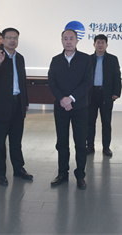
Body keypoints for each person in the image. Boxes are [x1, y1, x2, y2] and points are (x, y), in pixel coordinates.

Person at [0, 28, 33, 186]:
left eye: (15, 38)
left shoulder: (20, 58)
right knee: (0, 142)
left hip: (18, 103)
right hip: (2, 105)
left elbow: (22, 81)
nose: (13, 40)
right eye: (10, 37)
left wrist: (25, 101)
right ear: (3, 40)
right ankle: (0, 174)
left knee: (16, 140)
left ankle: (19, 169)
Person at [48, 29, 93, 190]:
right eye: (65, 38)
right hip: (61, 107)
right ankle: (62, 173)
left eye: (71, 38)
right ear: (62, 41)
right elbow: (52, 82)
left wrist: (71, 98)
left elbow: (87, 82)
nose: (68, 41)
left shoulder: (86, 59)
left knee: (80, 143)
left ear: (77, 41)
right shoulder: (56, 60)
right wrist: (62, 99)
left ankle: (80, 175)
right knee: (61, 142)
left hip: (79, 107)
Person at [87, 34, 122, 157]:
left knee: (106, 122)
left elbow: (117, 77)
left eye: (103, 43)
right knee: (90, 122)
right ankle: (89, 146)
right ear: (94, 44)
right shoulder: (88, 59)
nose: (100, 45)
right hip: (91, 94)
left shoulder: (113, 59)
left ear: (106, 45)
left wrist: (116, 92)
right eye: (98, 42)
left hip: (106, 94)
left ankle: (106, 147)